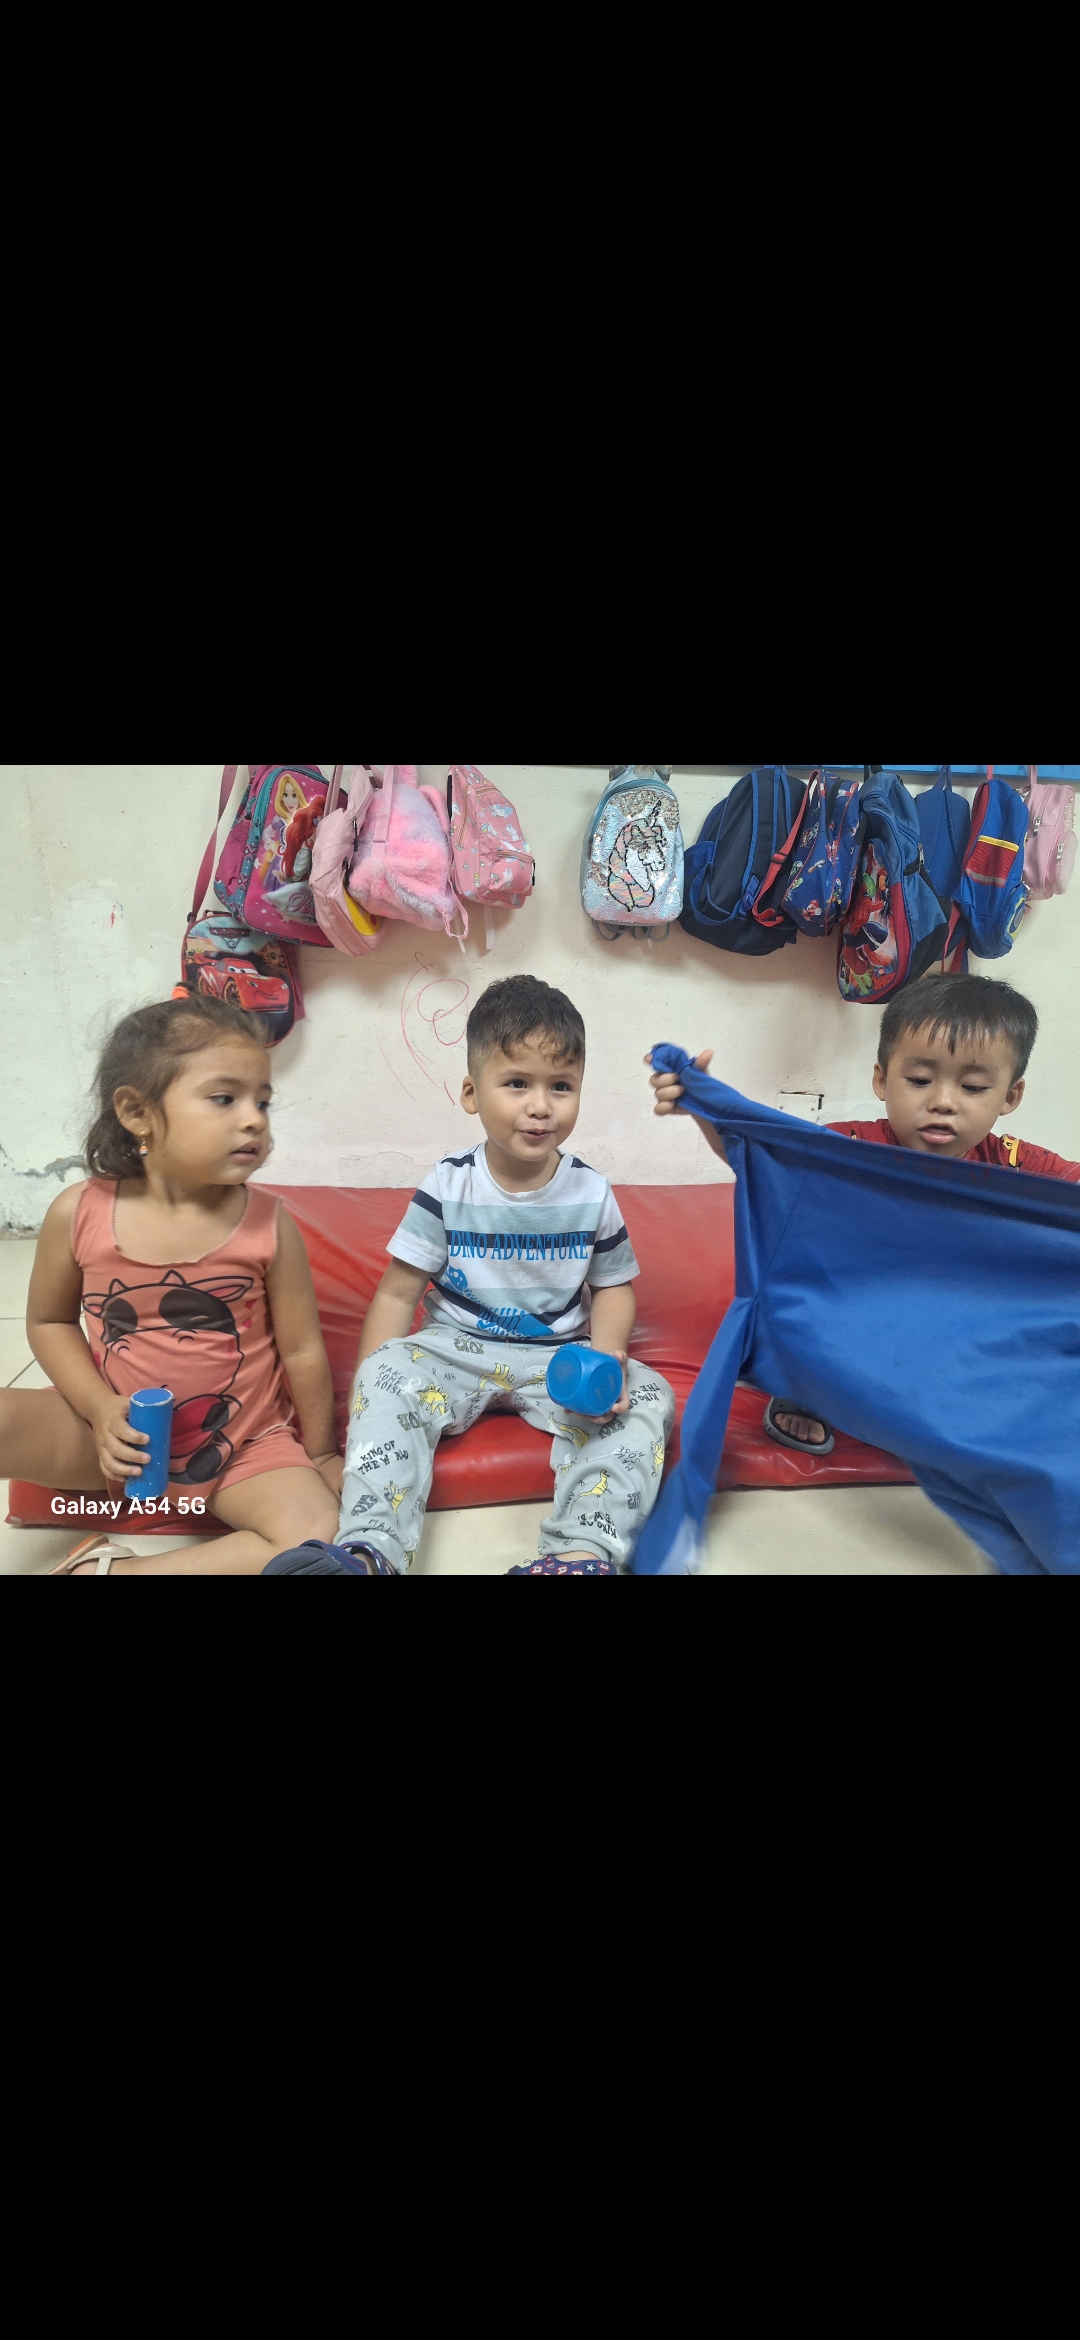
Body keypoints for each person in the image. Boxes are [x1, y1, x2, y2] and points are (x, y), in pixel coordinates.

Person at [648, 972, 1079, 1457]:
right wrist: (706, 1106)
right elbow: (760, 1159)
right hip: (850, 1312)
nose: (943, 1102)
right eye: (919, 1080)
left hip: (943, 1322)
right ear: (881, 1079)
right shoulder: (851, 1146)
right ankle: (806, 1391)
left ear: (1010, 1097)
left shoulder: (1017, 1165)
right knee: (794, 1291)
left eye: (974, 1087)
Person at [339, 973, 675, 1575]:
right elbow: (397, 1293)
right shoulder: (447, 1185)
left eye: (561, 1086)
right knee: (386, 1371)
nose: (540, 1106)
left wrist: (607, 1358)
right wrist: (368, 1387)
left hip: (559, 1359)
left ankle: (580, 1553)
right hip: (454, 1347)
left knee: (649, 1396)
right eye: (517, 1083)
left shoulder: (591, 1191)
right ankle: (369, 1550)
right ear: (472, 1093)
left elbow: (613, 1287)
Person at [0, 993, 343, 1574]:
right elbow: (49, 1321)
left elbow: (303, 1349)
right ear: (137, 1112)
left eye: (262, 1101)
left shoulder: (267, 1224)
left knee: (318, 1532)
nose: (254, 1119)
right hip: (109, 1439)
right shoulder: (77, 1213)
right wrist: (99, 1410)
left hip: (241, 1446)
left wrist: (323, 1452)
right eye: (224, 1098)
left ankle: (113, 1570)